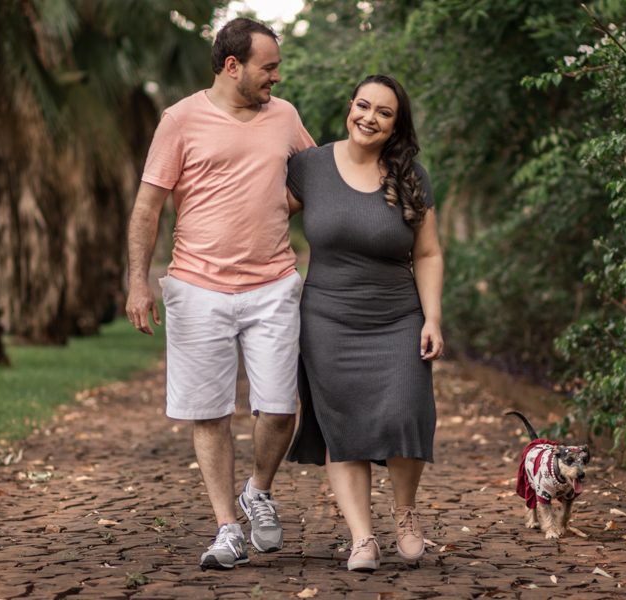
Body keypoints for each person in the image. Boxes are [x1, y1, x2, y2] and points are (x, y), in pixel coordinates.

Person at [125, 17, 314, 570]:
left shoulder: (285, 117)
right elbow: (147, 206)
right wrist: (138, 280)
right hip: (197, 286)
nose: (276, 78)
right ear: (233, 66)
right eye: (269, 67)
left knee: (280, 408)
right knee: (208, 413)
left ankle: (257, 490)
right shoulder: (180, 119)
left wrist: (281, 205)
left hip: (273, 283)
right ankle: (227, 526)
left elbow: (312, 179)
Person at [285, 74, 444, 571]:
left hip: (398, 317)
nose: (368, 117)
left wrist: (432, 318)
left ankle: (405, 514)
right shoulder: (309, 167)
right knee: (343, 428)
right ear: (349, 106)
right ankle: (362, 539)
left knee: (405, 412)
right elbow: (260, 213)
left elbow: (430, 252)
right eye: (362, 105)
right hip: (328, 319)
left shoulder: (410, 175)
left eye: (383, 112)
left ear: (396, 125)